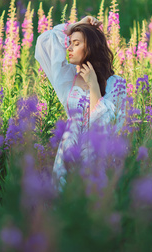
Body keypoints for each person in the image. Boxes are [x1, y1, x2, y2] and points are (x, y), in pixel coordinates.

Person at [35, 16, 127, 186]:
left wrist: (93, 86)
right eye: (69, 43)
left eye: (76, 44)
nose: (69, 48)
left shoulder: (116, 83)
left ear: (90, 48)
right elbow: (44, 42)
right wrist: (76, 25)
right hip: (68, 155)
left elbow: (108, 126)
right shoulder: (68, 77)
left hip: (97, 157)